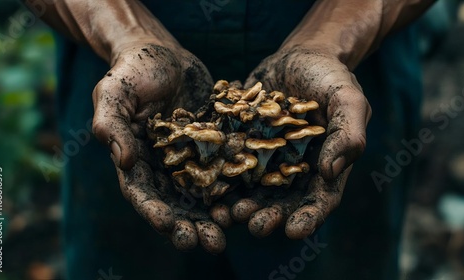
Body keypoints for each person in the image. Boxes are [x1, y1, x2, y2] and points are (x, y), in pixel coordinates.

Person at [25, 0, 434, 279]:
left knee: (342, 256)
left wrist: (333, 39)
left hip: (350, 71)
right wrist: (126, 34)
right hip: (126, 83)